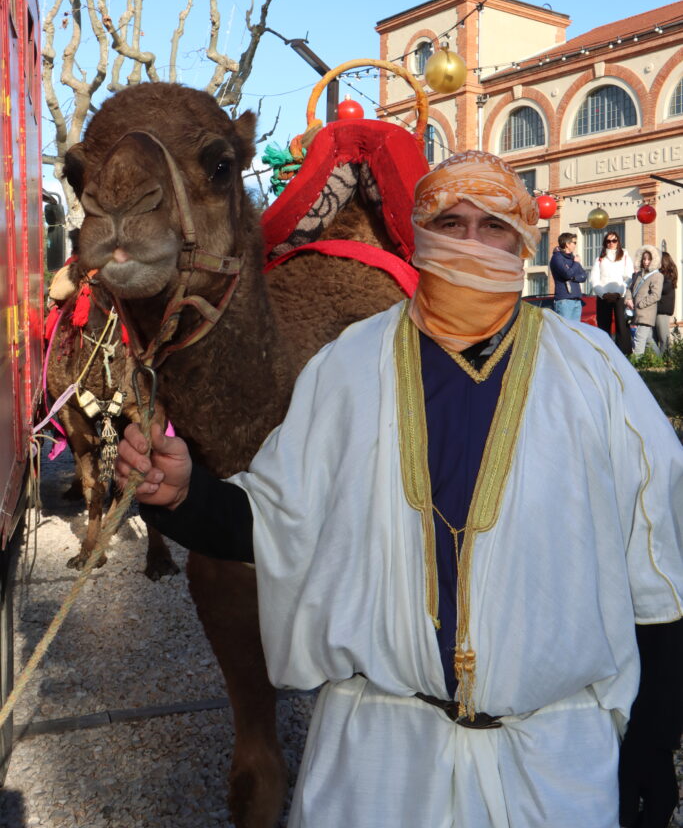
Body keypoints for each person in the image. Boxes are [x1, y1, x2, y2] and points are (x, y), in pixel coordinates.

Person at [117, 151, 683, 828]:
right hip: (375, 759)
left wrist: (651, 744)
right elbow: (273, 519)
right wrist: (184, 496)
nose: (470, 242)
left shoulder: (596, 374)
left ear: (523, 238)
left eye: (493, 226)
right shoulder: (348, 365)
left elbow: (658, 575)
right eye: (450, 221)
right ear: (419, 233)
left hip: (554, 759)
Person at [591, 231, 634, 355]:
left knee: (622, 324)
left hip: (619, 295)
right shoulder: (600, 258)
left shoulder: (625, 256)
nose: (611, 243)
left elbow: (629, 276)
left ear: (618, 242)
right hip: (603, 296)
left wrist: (619, 292)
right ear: (605, 243)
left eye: (614, 241)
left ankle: (625, 354)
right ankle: (605, 353)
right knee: (604, 325)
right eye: (608, 241)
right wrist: (603, 294)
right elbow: (594, 278)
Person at [624, 247, 664, 357]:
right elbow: (629, 288)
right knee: (648, 340)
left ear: (654, 260)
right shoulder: (638, 274)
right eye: (644, 259)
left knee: (638, 339)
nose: (646, 262)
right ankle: (660, 361)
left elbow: (656, 295)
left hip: (646, 312)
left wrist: (640, 304)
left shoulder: (657, 275)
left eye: (648, 259)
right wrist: (628, 299)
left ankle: (636, 366)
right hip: (636, 312)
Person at [549, 231, 587, 321]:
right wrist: (576, 263)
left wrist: (573, 278)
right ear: (567, 244)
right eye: (574, 242)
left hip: (577, 300)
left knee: (575, 331)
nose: (575, 245)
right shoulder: (557, 258)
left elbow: (584, 276)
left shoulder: (572, 259)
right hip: (564, 301)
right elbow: (567, 274)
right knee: (565, 331)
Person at [655, 250, 678, 353]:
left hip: (662, 310)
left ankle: (665, 360)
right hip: (659, 310)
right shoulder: (662, 275)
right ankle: (662, 358)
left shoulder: (667, 277)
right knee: (658, 337)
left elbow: (661, 290)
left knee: (664, 338)